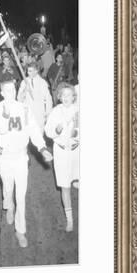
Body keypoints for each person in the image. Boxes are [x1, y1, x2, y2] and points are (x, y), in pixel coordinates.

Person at [0, 81, 52, 248]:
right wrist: (5, 114)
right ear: (2, 93)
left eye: (12, 89)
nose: (10, 93)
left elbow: (33, 130)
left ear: (15, 90)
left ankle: (20, 230)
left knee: (21, 196)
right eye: (6, 90)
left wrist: (42, 148)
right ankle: (8, 206)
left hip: (21, 158)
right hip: (4, 157)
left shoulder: (24, 108)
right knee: (8, 189)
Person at [45, 83, 79, 232]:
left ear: (73, 97)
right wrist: (56, 130)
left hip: (77, 152)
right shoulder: (55, 111)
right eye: (63, 95)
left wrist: (77, 134)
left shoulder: (78, 111)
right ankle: (70, 220)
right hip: (60, 152)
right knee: (65, 186)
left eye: (69, 95)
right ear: (59, 97)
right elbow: (47, 132)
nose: (66, 98)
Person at [17, 61, 53, 133]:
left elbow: (48, 99)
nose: (28, 73)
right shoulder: (24, 82)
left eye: (30, 71)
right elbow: (19, 99)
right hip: (27, 112)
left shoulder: (42, 82)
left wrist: (48, 113)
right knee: (27, 134)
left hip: (39, 112)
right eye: (27, 71)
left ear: (36, 71)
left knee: (39, 134)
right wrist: (24, 91)